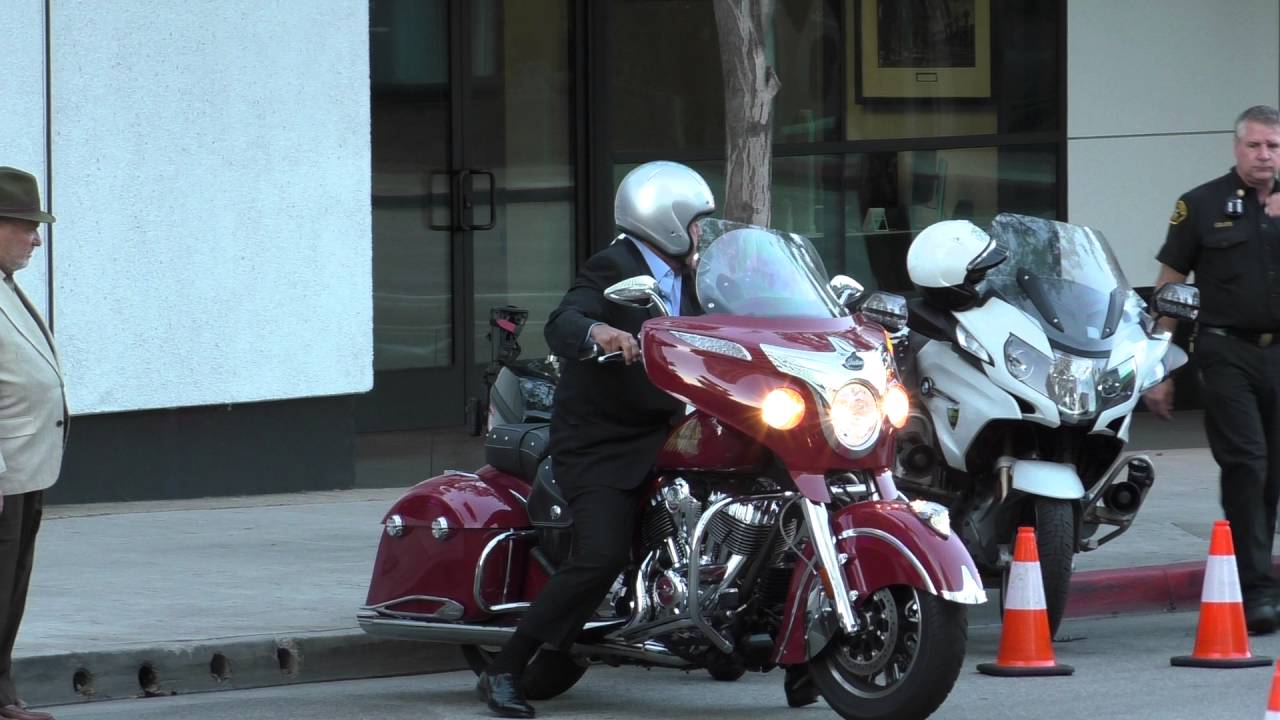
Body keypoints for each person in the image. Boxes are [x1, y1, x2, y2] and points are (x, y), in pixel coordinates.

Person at [1144, 105, 1280, 635]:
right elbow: (1169, 286)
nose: (1264, 155)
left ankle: (1257, 574)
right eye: (1255, 145)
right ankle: (1255, 591)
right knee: (1247, 464)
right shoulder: (1199, 205)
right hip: (1225, 352)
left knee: (1274, 472)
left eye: (1273, 146)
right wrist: (1161, 367)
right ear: (1236, 147)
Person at [0, 167, 67, 720]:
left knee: (11, 587)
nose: (36, 238)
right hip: (4, 472)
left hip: (27, 467)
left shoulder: (6, 285)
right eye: (26, 225)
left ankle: (2, 690)